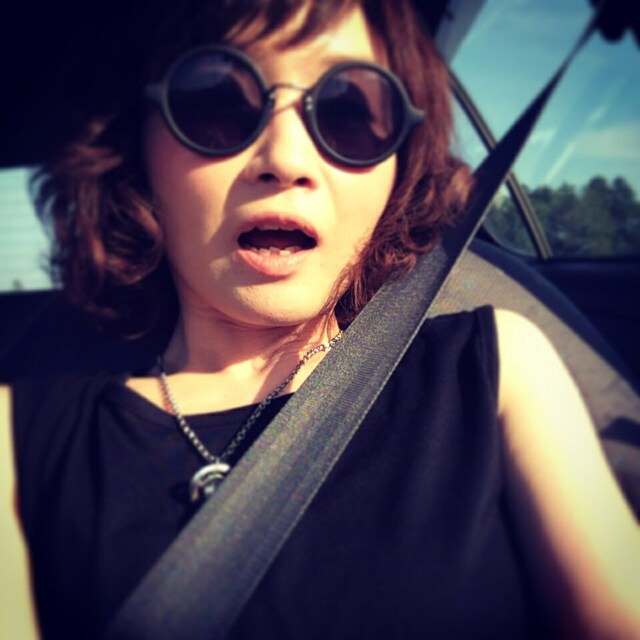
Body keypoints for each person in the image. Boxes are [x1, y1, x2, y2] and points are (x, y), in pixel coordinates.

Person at [2, 0, 639, 638]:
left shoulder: (498, 369)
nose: (286, 159)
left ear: (400, 168)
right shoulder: (16, 439)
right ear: (136, 148)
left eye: (348, 113)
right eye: (215, 100)